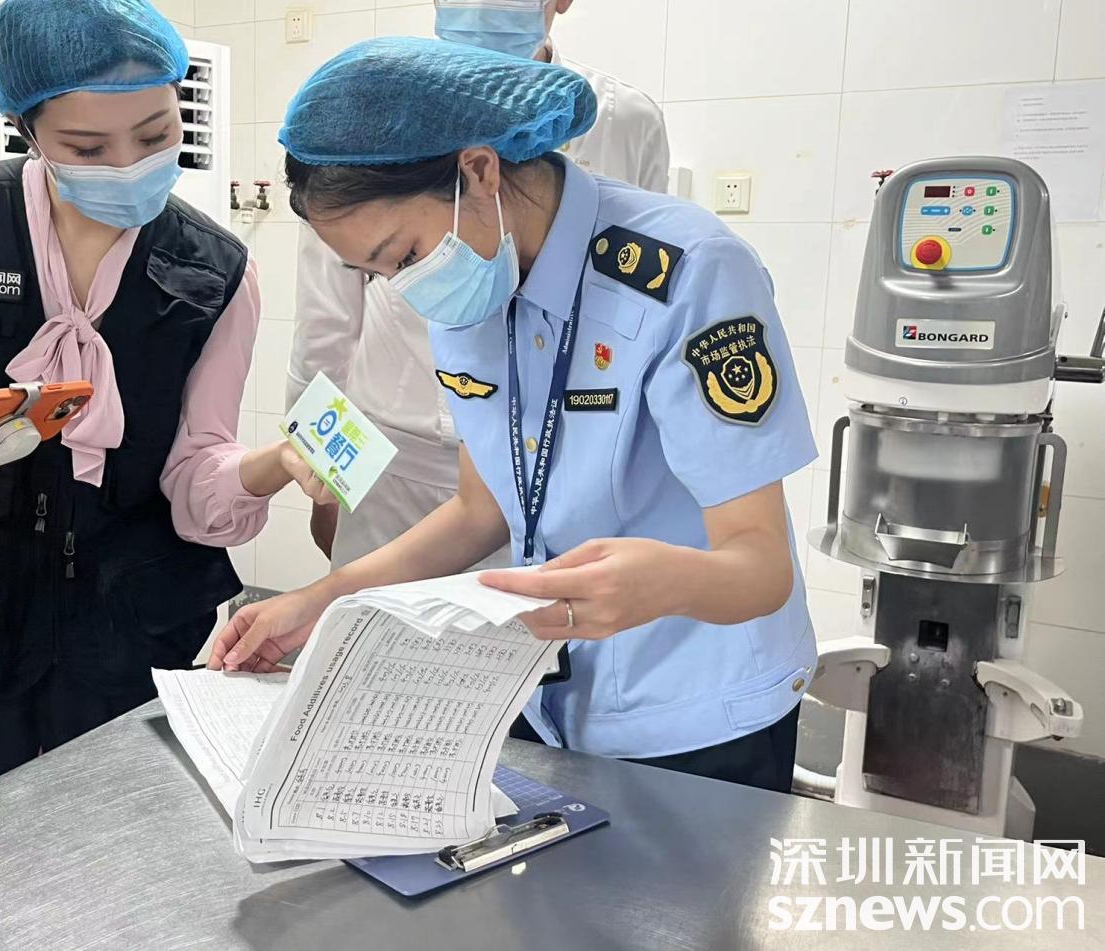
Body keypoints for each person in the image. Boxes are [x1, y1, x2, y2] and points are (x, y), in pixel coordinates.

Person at [213, 37, 818, 794]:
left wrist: (664, 582)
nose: (403, 287)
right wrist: (320, 600)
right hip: (546, 698)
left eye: (403, 256)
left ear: (478, 170)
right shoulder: (471, 281)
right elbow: (482, 508)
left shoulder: (689, 272)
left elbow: (759, 569)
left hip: (699, 712)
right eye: (375, 273)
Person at [0, 0, 333, 825]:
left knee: (121, 854)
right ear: (25, 128)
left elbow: (194, 476)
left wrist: (268, 466)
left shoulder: (216, 270)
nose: (128, 164)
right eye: (87, 148)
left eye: (156, 132)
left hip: (133, 632)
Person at [287, 0, 670, 570]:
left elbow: (638, 296)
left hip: (552, 455)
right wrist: (323, 471)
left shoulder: (625, 120)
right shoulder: (370, 112)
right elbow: (325, 326)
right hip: (394, 459)